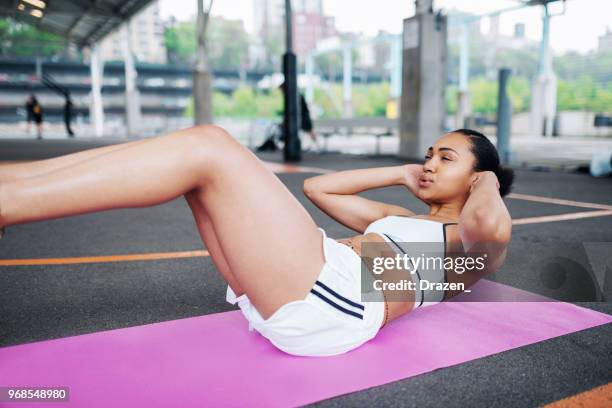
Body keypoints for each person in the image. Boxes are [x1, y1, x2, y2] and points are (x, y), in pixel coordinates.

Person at [0, 126, 513, 356]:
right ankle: (11, 185)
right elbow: (318, 188)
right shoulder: (399, 217)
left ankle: (9, 199)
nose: (428, 163)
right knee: (198, 168)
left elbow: (490, 224)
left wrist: (485, 179)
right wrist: (403, 173)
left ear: (475, 180)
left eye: (445, 158)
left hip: (341, 301)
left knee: (210, 148)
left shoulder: (463, 250)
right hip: (321, 281)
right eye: (428, 153)